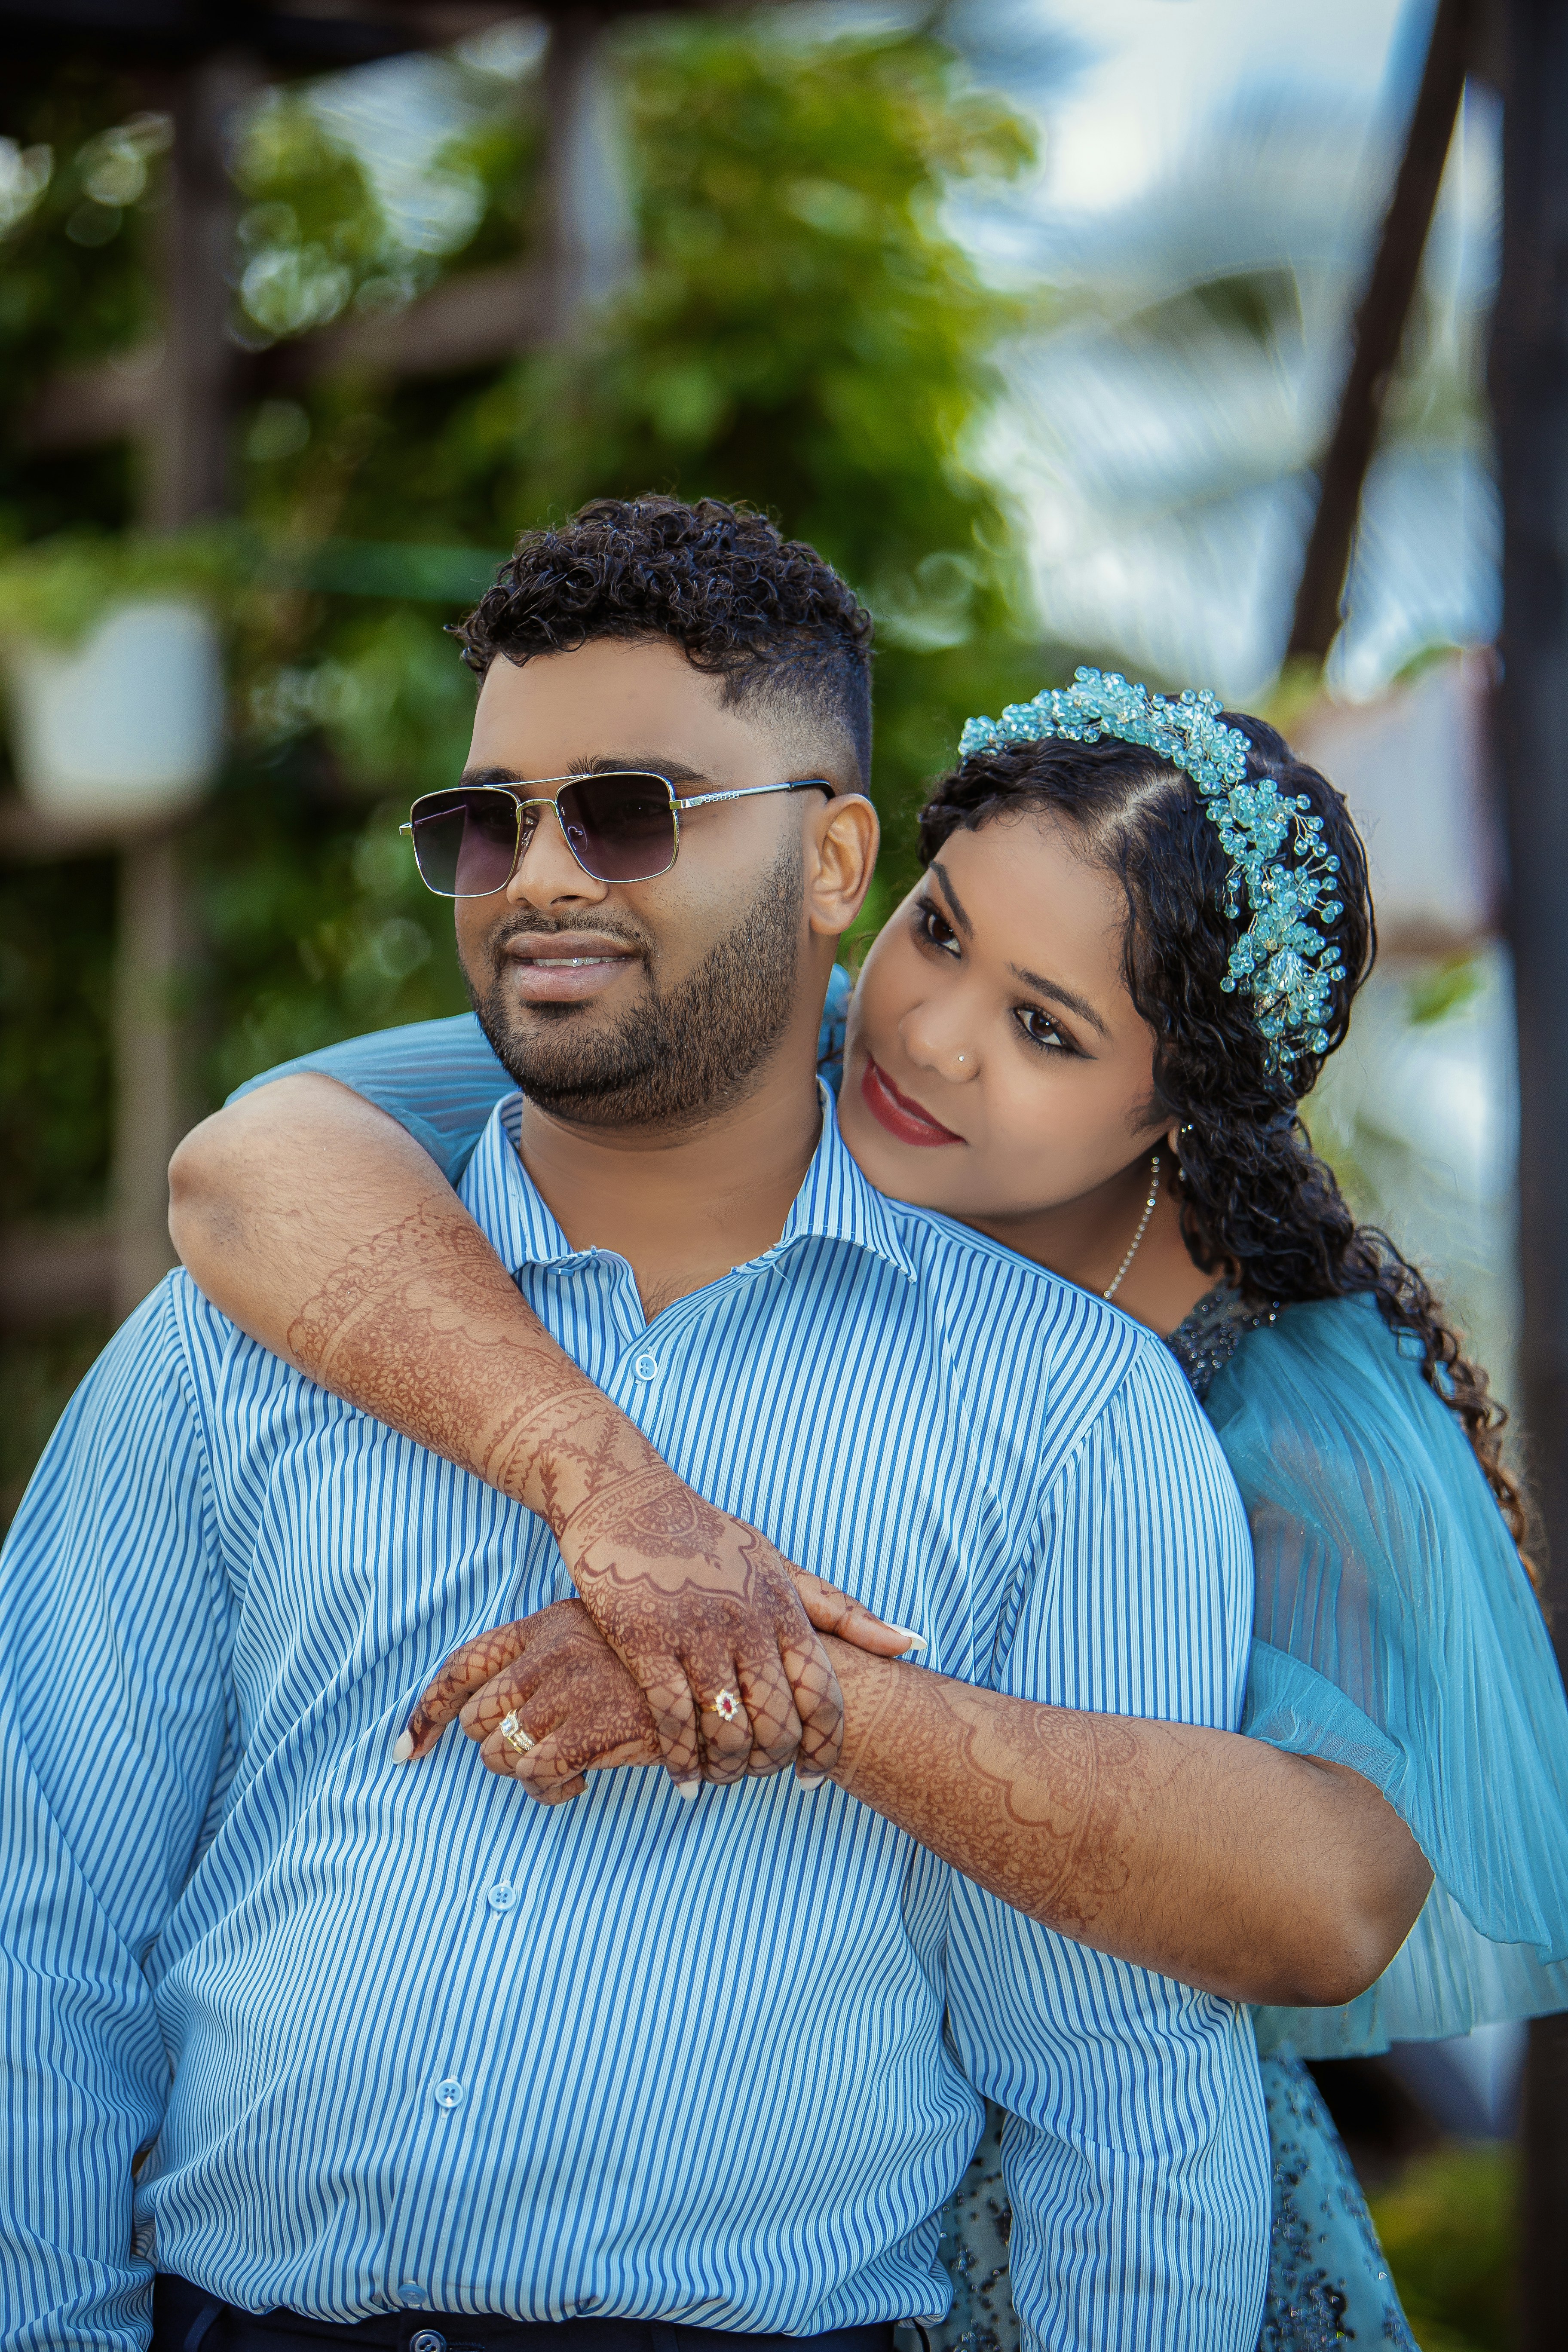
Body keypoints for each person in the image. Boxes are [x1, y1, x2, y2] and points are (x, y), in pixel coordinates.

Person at [173, 640, 1568, 2352]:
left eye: (1046, 1030)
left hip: (1094, 2175)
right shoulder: (779, 1058)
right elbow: (254, 1165)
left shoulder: (1261, 1377)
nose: (934, 1037)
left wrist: (780, 1684)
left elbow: (1335, 1899)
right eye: (943, 929)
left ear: (1179, 1117)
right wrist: (633, 1511)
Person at [0, 500, 1273, 2352]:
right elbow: (41, 1912)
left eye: (625, 811)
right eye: (484, 821)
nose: (538, 877)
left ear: (837, 858)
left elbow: (1117, 2082)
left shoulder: (1072, 1427)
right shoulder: (235, 1341)